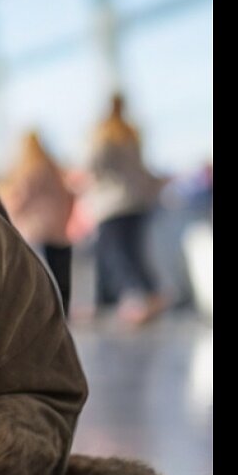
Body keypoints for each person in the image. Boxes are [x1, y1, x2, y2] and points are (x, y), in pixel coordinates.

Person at [82, 93, 167, 326]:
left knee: (116, 253)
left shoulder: (103, 134)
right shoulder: (130, 133)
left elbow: (92, 165)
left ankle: (136, 299)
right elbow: (141, 168)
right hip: (136, 201)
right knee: (132, 251)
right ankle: (149, 295)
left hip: (112, 204)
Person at [0, 130, 75, 313]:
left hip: (37, 230)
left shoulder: (29, 169)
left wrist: (2, 212)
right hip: (59, 229)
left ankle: (46, 313)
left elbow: (20, 198)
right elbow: (70, 195)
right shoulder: (54, 168)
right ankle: (62, 312)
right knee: (60, 276)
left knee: (41, 277)